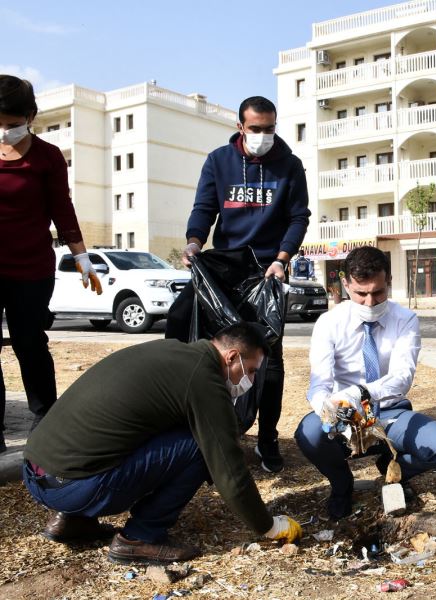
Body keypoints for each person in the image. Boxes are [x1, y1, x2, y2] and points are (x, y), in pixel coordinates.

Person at [23, 322, 303, 564]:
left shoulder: (171, 351)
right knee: (201, 447)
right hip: (74, 488)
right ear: (231, 357)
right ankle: (139, 537)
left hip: (37, 474)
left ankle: (73, 520)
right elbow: (229, 468)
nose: (250, 380)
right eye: (250, 370)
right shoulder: (204, 380)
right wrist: (268, 526)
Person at [166, 95, 311, 474]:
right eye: (256, 129)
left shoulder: (290, 166)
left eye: (270, 128)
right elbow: (204, 208)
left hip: (267, 270)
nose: (263, 135)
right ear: (240, 127)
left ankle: (267, 440)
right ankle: (190, 426)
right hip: (226, 266)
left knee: (270, 357)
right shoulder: (219, 161)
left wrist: (282, 259)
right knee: (183, 324)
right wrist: (194, 242)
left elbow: (299, 217)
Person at [294, 246, 436, 520]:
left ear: (389, 281)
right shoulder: (329, 323)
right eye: (361, 294)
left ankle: (393, 468)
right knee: (309, 432)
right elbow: (319, 382)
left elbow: (402, 378)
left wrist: (361, 392)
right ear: (346, 284)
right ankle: (342, 484)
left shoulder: (405, 320)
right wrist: (327, 408)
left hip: (391, 413)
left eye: (378, 293)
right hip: (347, 415)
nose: (370, 302)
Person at [0, 75, 101, 453]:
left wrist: (82, 257)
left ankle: (45, 420)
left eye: (12, 124)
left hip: (31, 269)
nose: (4, 131)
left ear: (30, 116)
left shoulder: (47, 157)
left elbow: (63, 209)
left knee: (29, 342)